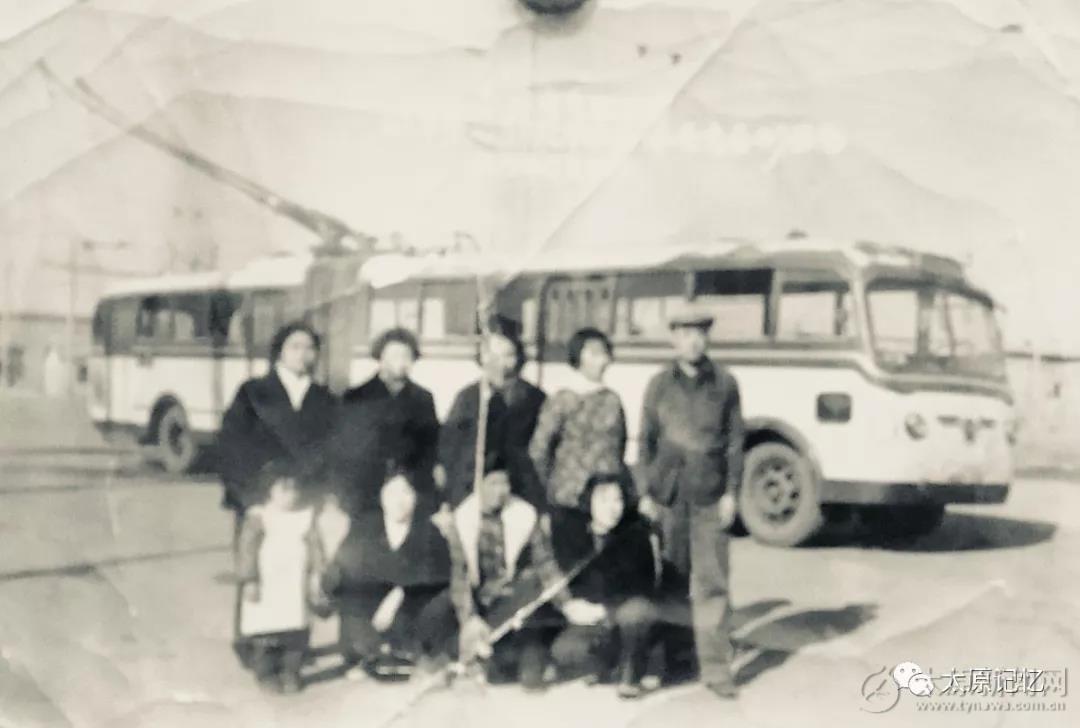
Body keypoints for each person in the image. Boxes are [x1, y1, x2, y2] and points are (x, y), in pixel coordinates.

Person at [637, 302, 744, 700]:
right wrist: (646, 491)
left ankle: (715, 670)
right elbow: (645, 441)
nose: (692, 341)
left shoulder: (725, 384)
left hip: (709, 497)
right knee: (670, 582)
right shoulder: (658, 385)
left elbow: (735, 444)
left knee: (712, 584)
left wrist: (731, 493)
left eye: (699, 333)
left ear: (706, 338)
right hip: (668, 497)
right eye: (684, 334)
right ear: (673, 339)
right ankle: (672, 662)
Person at [418, 463, 602, 692]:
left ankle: (508, 656)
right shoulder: (463, 518)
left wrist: (566, 602)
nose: (500, 491)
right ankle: (449, 657)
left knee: (531, 588)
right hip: (476, 597)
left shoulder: (524, 514)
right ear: (479, 484)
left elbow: (545, 563)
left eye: (504, 483)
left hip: (512, 598)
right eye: (492, 483)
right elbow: (460, 574)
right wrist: (469, 618)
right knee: (436, 613)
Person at [322, 471, 451, 680]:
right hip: (370, 609)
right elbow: (346, 571)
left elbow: (438, 574)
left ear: (416, 498)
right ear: (382, 498)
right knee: (354, 610)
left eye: (406, 493)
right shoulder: (363, 528)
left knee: (438, 604)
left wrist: (400, 593)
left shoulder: (429, 531)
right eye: (392, 494)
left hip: (410, 607)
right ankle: (367, 655)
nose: (399, 501)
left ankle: (413, 653)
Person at [217, 322, 337, 535]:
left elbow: (334, 449)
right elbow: (232, 446)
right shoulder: (252, 392)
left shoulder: (325, 398)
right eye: (295, 347)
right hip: (259, 500)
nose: (302, 354)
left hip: (307, 502)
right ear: (280, 351)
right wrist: (250, 498)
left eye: (309, 348)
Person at [548, 473, 660, 699]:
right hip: (591, 621)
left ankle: (631, 675)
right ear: (588, 503)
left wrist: (604, 610)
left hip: (622, 614)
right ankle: (606, 667)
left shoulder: (636, 535)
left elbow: (643, 587)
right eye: (603, 500)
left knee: (637, 613)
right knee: (564, 651)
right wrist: (569, 606)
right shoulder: (576, 535)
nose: (612, 507)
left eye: (617, 500)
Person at [234, 461, 327, 694]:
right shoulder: (259, 516)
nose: (290, 495)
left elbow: (316, 548)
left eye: (294, 489)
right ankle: (266, 673)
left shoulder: (305, 517)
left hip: (295, 585)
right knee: (267, 631)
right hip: (267, 585)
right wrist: (250, 579)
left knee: (295, 631)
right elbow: (247, 550)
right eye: (283, 490)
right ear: (269, 491)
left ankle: (291, 671)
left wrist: (317, 574)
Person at [439, 317, 546, 508]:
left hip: (520, 492)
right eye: (494, 356)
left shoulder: (534, 398)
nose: (501, 364)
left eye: (508, 355)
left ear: (518, 357)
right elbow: (450, 446)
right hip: (472, 488)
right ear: (484, 357)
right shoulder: (469, 397)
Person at [333, 328, 440, 515]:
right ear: (380, 357)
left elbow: (431, 447)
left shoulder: (423, 398)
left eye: (407, 356)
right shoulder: (356, 396)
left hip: (409, 489)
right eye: (394, 355)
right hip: (365, 490)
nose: (401, 361)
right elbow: (346, 449)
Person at [529, 328, 627, 510]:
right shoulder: (562, 399)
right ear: (578, 356)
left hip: (605, 499)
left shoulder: (612, 400)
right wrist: (553, 486)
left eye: (605, 353)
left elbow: (620, 446)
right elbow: (539, 449)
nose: (602, 360)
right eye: (594, 354)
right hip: (568, 498)